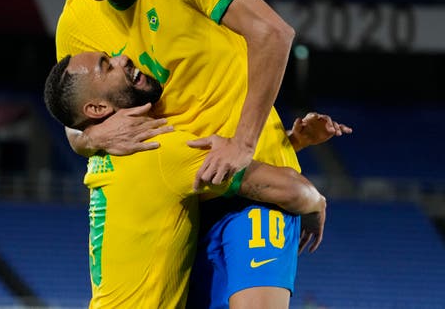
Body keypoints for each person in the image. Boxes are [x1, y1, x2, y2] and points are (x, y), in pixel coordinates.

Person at [52, 0, 351, 308]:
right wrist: (92, 138)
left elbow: (273, 34)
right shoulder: (77, 23)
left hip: (255, 188)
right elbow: (75, 117)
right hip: (181, 205)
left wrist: (243, 143)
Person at [43, 51, 329, 309]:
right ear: (96, 109)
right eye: (107, 67)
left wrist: (292, 141)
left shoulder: (101, 155)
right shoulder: (158, 151)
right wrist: (315, 204)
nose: (123, 59)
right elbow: (293, 190)